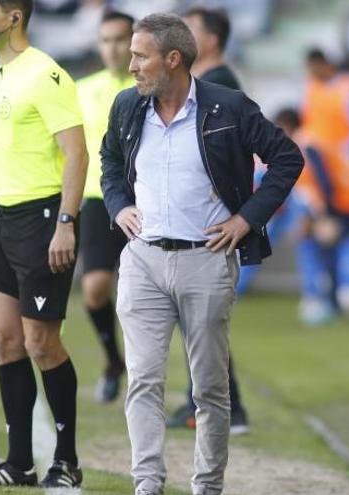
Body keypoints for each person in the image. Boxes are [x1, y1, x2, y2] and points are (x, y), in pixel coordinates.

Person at [100, 14, 303, 495]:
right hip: (143, 261)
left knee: (210, 387)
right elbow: (109, 160)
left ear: (172, 60)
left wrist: (246, 218)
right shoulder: (127, 106)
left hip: (206, 261)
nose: (130, 65)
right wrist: (118, 205)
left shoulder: (228, 106)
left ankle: (207, 485)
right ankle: (147, 483)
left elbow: (287, 158)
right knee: (143, 380)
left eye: (139, 55)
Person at [0, 0, 87, 488]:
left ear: (14, 17)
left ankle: (67, 461)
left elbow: (76, 153)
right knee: (6, 340)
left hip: (41, 219)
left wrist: (66, 222)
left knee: (41, 343)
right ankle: (19, 464)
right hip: (1, 221)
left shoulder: (46, 75)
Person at [164, 5, 250, 436]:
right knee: (197, 316)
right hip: (199, 217)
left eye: (190, 29)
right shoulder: (212, 81)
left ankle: (223, 408)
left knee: (202, 318)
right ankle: (207, 403)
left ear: (211, 39)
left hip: (208, 220)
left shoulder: (217, 84)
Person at [76, 9, 135, 404]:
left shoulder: (149, 86)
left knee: (152, 298)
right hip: (98, 201)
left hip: (144, 201)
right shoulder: (82, 89)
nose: (112, 48)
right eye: (106, 40)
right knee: (95, 289)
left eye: (119, 39)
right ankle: (115, 362)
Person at [275, 108, 349, 326]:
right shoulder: (306, 143)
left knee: (321, 244)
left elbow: (324, 180)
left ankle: (326, 298)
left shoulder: (307, 144)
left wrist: (326, 216)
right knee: (326, 245)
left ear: (288, 125)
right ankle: (334, 298)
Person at [301, 48, 349, 155]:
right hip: (317, 154)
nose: (313, 73)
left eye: (315, 68)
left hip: (342, 154)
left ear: (326, 64)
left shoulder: (348, 88)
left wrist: (347, 151)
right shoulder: (311, 88)